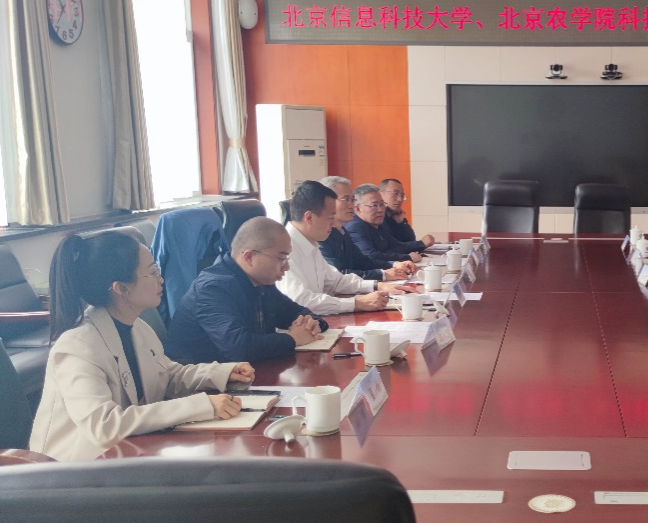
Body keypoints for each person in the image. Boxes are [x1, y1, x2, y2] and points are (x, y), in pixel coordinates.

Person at [30, 232, 255, 461]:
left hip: (127, 454)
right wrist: (199, 406)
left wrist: (221, 373)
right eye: (152, 272)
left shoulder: (137, 327)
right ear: (121, 288)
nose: (161, 280)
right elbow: (104, 426)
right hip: (74, 470)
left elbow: (168, 375)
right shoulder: (78, 347)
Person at [165, 217, 329, 364]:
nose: (286, 267)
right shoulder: (214, 288)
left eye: (287, 258)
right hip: (203, 383)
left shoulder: (261, 281)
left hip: (247, 373)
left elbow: (294, 312)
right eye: (280, 258)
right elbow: (239, 348)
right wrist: (293, 339)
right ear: (249, 257)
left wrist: (312, 323)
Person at [278, 181, 410, 315]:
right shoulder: (285, 249)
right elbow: (300, 300)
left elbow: (336, 281)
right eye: (330, 218)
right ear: (309, 217)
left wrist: (377, 285)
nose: (332, 224)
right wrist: (356, 304)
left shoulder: (310, 243)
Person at [317, 176, 417, 281]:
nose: (351, 205)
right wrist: (382, 274)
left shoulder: (342, 231)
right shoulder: (321, 235)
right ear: (327, 201)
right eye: (346, 199)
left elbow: (362, 261)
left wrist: (394, 264)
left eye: (352, 200)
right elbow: (339, 274)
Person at [345, 184, 425, 263]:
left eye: (382, 204)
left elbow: (397, 245)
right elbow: (371, 257)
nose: (380, 210)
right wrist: (407, 257)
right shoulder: (355, 227)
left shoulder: (378, 224)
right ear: (358, 209)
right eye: (374, 205)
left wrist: (422, 244)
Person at [380, 178, 435, 250]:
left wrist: (401, 223)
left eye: (402, 195)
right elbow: (392, 247)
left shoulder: (394, 217)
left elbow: (410, 240)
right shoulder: (378, 218)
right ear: (380, 194)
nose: (400, 199)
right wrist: (421, 243)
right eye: (395, 193)